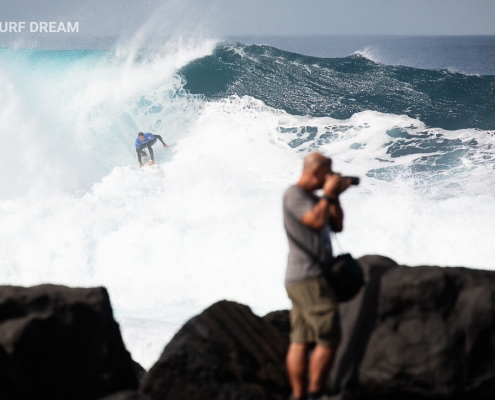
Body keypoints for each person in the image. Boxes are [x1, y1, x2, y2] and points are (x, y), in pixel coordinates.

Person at [283, 152, 351, 400]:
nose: (330, 178)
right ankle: (314, 394)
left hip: (304, 278)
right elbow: (314, 221)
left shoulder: (315, 198)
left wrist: (335, 198)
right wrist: (329, 195)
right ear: (315, 173)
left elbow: (337, 225)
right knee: (330, 336)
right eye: (327, 173)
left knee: (300, 338)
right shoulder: (295, 195)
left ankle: (300, 396)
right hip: (308, 278)